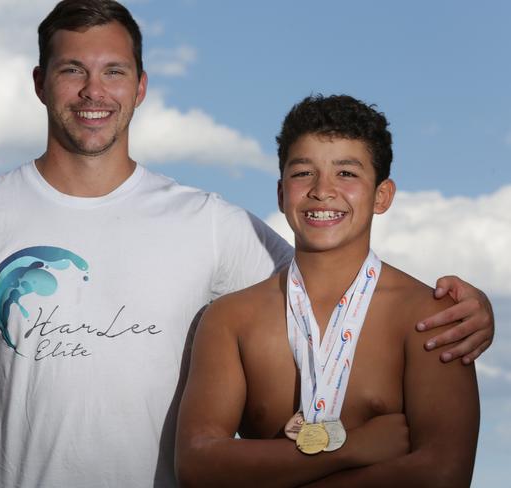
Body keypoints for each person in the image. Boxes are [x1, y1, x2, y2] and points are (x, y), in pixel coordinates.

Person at [0, 1, 491, 487]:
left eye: (113, 71)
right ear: (39, 81)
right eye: (71, 70)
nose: (92, 92)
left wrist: (471, 307)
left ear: (140, 87)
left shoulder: (209, 223)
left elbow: (330, 279)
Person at [175, 95, 480, 487]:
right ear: (282, 193)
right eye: (303, 173)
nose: (323, 190)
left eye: (347, 174)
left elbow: (444, 474)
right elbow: (197, 466)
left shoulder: (430, 317)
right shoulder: (230, 319)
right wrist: (349, 447)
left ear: (382, 196)